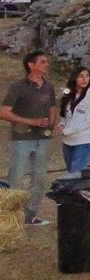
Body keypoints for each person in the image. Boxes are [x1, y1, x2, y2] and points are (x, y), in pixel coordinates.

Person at [1, 50, 56, 225]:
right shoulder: (18, 87)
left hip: (43, 140)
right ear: (31, 65)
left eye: (47, 61)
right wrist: (30, 121)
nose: (46, 64)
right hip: (22, 139)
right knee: (16, 178)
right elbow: (4, 112)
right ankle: (9, 217)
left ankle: (30, 215)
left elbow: (53, 107)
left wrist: (51, 126)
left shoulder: (48, 87)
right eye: (42, 62)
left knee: (39, 178)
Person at [57, 66, 90, 174]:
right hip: (67, 140)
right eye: (80, 76)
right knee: (70, 171)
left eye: (87, 76)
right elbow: (64, 115)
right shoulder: (70, 94)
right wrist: (62, 125)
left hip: (84, 139)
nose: (84, 79)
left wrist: (72, 129)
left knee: (77, 174)